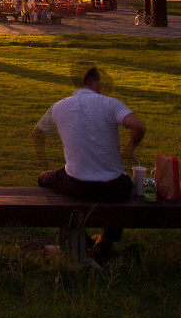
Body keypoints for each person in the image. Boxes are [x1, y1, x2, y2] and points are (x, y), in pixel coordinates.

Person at [31, 67, 147, 257]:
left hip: (75, 185)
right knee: (127, 185)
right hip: (113, 188)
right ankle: (106, 242)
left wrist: (45, 165)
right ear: (94, 81)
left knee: (44, 179)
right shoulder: (110, 104)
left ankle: (77, 237)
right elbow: (138, 126)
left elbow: (37, 133)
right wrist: (127, 152)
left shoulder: (59, 106)